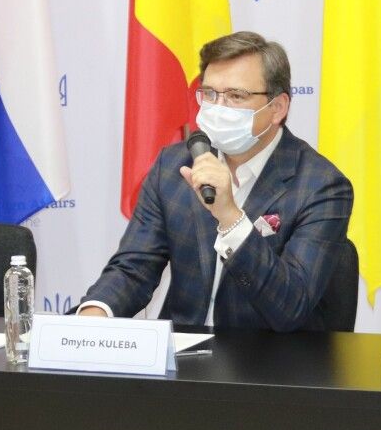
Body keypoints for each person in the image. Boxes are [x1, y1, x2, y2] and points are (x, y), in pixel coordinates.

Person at [78, 32, 352, 331]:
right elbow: (134, 268)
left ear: (277, 108)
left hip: (270, 363)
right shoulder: (174, 166)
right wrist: (94, 314)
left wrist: (231, 218)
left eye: (236, 96)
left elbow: (290, 306)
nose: (218, 108)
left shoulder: (321, 186)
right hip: (182, 358)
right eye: (209, 94)